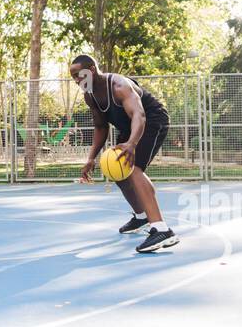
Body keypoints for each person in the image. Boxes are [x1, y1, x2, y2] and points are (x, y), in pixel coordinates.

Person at [69, 54, 179, 253]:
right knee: (118, 172)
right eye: (73, 77)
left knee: (133, 168)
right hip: (129, 129)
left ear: (91, 70)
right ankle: (141, 217)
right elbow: (101, 127)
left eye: (79, 75)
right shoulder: (90, 95)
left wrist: (132, 143)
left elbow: (140, 114)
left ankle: (162, 230)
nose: (77, 80)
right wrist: (91, 159)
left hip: (152, 121)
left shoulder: (119, 86)